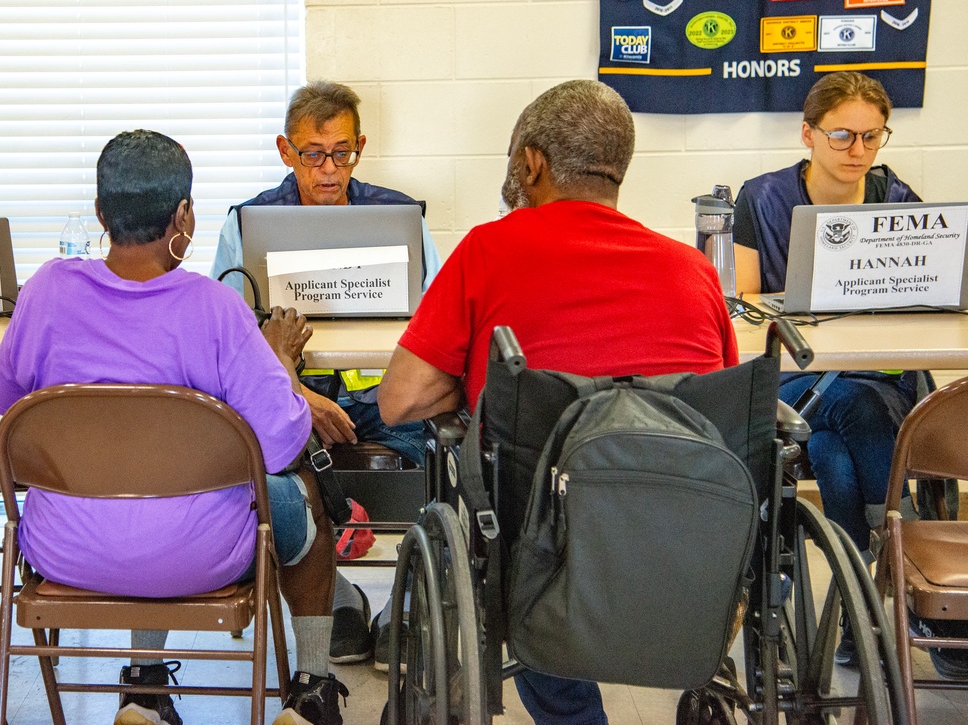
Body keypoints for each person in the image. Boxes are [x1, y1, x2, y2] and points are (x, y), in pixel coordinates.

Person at [377, 79, 738, 725]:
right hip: (690, 545)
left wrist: (467, 383)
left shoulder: (489, 251)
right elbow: (719, 415)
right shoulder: (694, 270)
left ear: (531, 163)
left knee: (521, 536)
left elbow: (400, 400)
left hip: (550, 557)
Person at [0, 130, 348, 725]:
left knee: (133, 482)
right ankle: (312, 691)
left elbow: (8, 400)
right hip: (201, 553)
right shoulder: (215, 307)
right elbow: (283, 444)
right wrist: (280, 360)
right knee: (301, 497)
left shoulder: (46, 293)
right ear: (183, 214)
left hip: (63, 549)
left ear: (102, 213)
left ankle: (142, 690)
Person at [732, 71, 966, 677]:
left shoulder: (897, 199)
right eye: (841, 136)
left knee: (836, 453)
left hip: (877, 378)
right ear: (807, 133)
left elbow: (931, 295)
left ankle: (854, 610)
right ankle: (897, 560)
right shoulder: (760, 199)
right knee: (857, 410)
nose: (858, 151)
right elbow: (747, 303)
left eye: (871, 136)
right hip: (799, 378)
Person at [210, 79, 442, 664]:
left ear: (359, 147)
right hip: (296, 408)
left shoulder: (401, 218)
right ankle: (338, 600)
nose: (328, 170)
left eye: (341, 152)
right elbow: (226, 344)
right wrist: (297, 399)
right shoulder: (246, 223)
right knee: (280, 469)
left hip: (384, 404)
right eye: (312, 154)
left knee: (436, 473)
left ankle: (403, 606)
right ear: (286, 152)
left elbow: (438, 324)